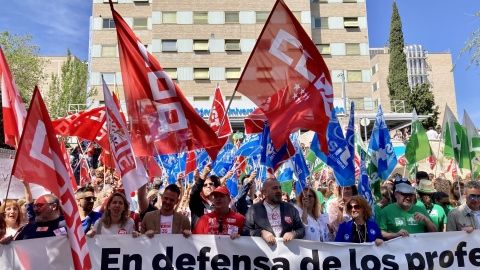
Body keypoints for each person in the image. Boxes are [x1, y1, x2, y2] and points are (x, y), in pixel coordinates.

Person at [243, 178, 305, 245]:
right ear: (265, 192)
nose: (279, 191)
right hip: (263, 253)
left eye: (279, 188)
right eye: (275, 188)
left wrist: (293, 234)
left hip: (286, 252)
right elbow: (245, 231)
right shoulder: (254, 209)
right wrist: (261, 232)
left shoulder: (290, 208)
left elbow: (301, 229)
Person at [189, 163, 220, 230]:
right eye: (205, 185)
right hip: (199, 239)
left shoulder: (219, 205)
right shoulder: (197, 203)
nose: (208, 186)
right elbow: (194, 193)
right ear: (201, 190)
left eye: (211, 184)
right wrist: (203, 175)